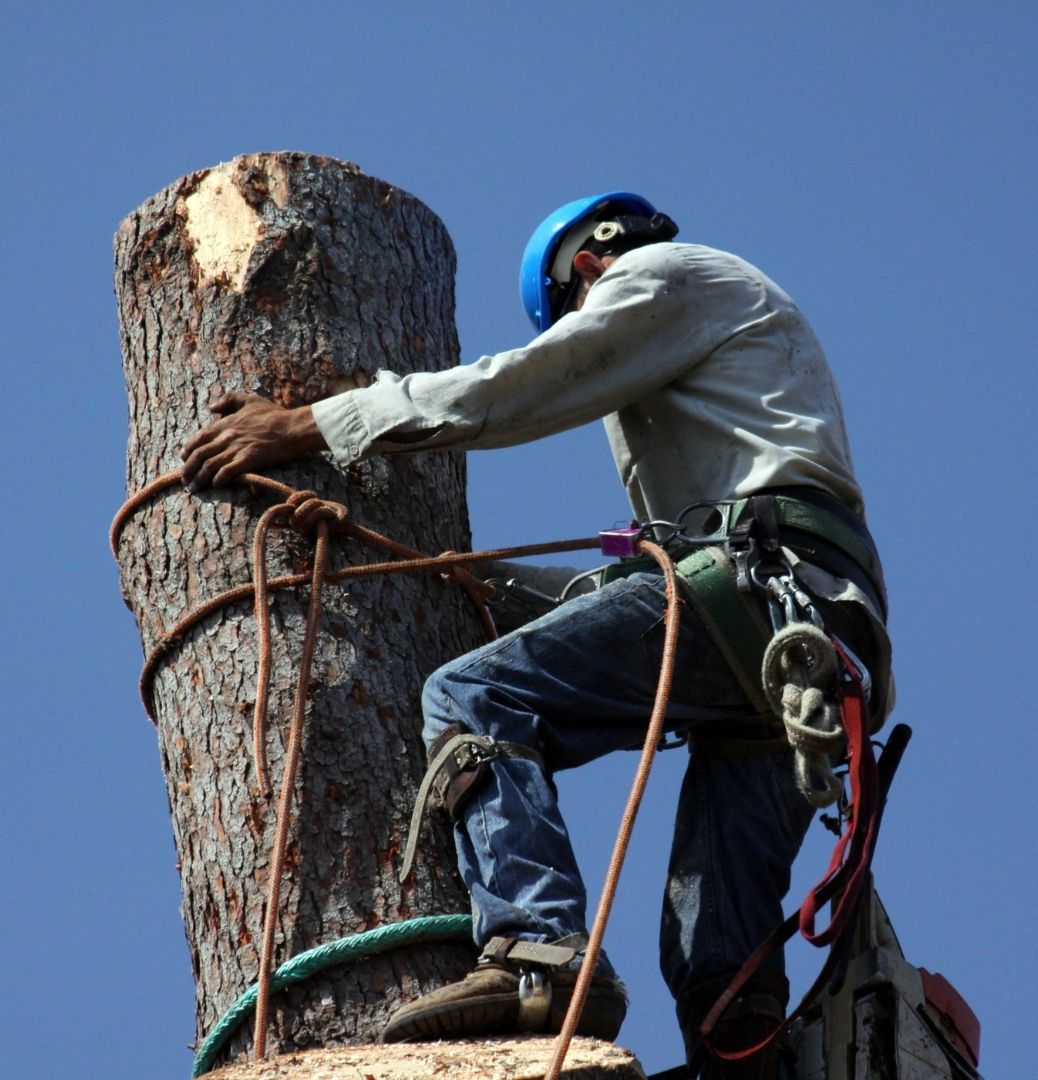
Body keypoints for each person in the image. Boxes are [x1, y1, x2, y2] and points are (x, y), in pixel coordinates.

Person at [181, 192, 891, 1079]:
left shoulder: (663, 276)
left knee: (475, 693)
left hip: (759, 590)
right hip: (805, 636)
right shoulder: (739, 368)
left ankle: (536, 954)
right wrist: (483, 580)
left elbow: (522, 385)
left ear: (584, 267)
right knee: (714, 950)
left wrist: (317, 423)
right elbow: (643, 581)